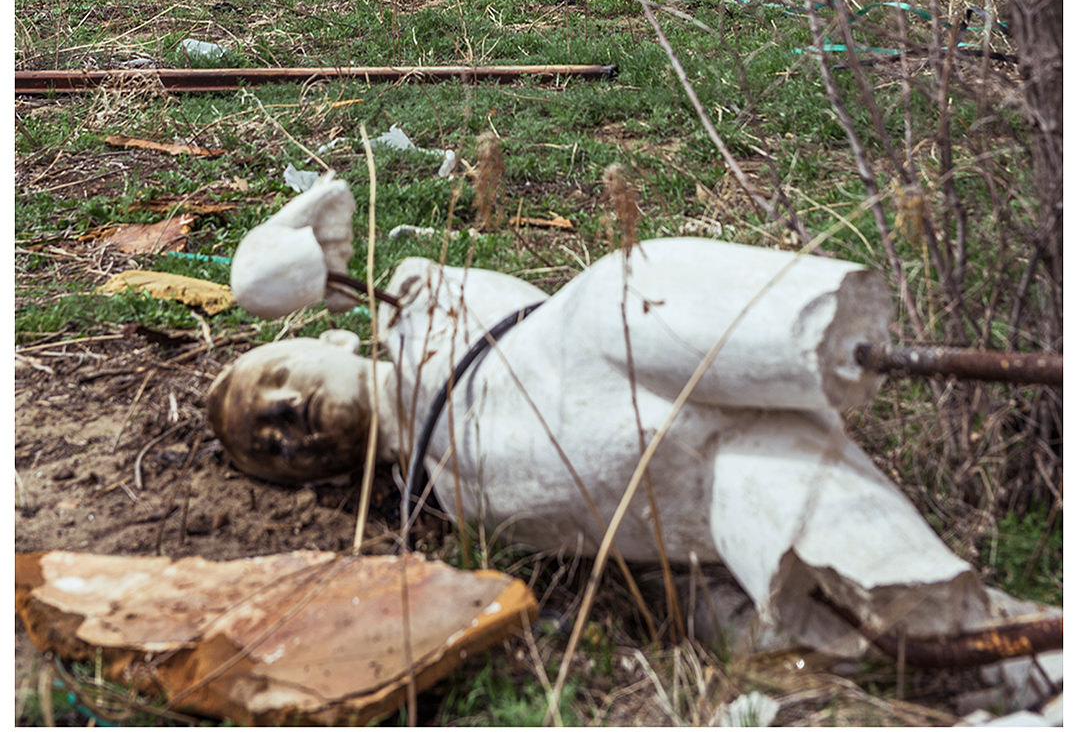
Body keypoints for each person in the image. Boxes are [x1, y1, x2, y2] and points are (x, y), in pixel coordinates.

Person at [208, 179, 1003, 654]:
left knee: (634, 293)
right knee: (766, 495)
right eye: (271, 447)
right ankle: (946, 622)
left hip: (595, 346)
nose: (284, 418)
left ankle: (838, 342)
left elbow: (322, 219)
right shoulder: (440, 508)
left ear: (327, 336)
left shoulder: (406, 305)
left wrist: (276, 271)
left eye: (274, 382)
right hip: (672, 484)